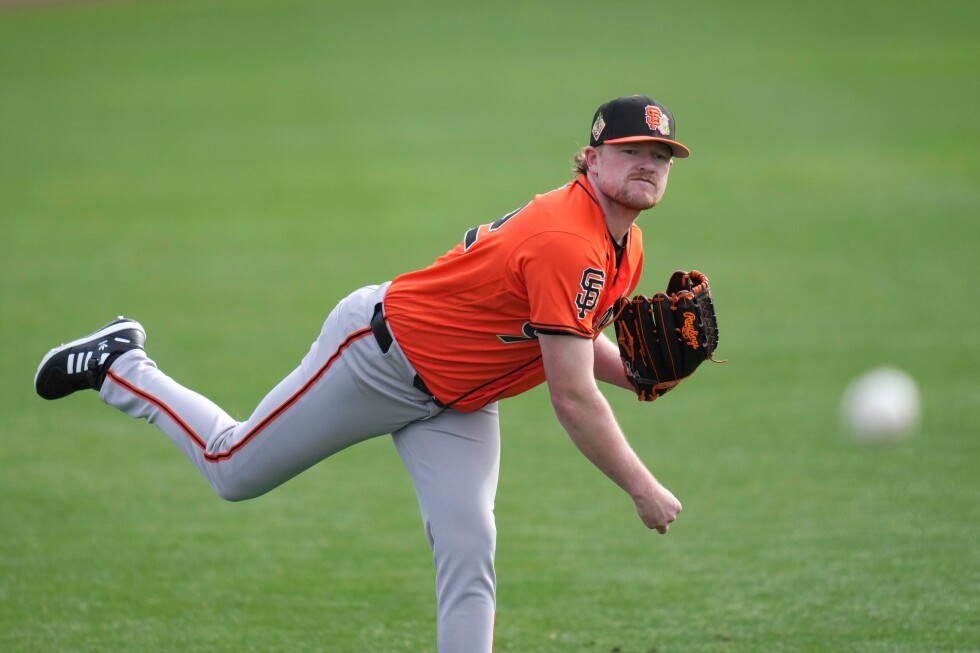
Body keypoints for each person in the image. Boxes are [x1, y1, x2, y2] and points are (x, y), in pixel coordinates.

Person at [35, 94, 691, 653]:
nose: (648, 165)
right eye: (633, 150)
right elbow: (571, 393)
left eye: (660, 156)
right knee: (231, 467)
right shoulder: (568, 241)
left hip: (459, 400)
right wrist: (641, 486)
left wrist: (632, 370)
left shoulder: (622, 242)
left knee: (470, 544)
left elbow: (572, 337)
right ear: (591, 157)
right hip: (378, 359)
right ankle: (123, 365)